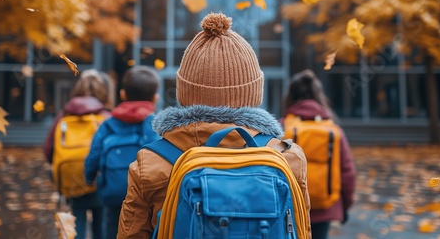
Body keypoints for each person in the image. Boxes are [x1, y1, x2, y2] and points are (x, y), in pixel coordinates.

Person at [116, 12, 311, 238]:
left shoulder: (151, 162)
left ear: (185, 91)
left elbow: (131, 234)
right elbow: (301, 229)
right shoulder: (288, 158)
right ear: (255, 92)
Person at [84, 66, 160, 239]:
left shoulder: (109, 123)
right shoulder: (155, 124)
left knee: (112, 225)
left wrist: (89, 177)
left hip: (113, 191)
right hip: (145, 194)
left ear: (123, 94)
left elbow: (94, 154)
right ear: (155, 98)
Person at [280, 69, 356, 239]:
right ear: (319, 95)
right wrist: (346, 204)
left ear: (290, 96)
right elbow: (347, 171)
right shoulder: (333, 130)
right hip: (325, 206)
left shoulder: (282, 127)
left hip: (291, 207)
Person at [43, 69, 114, 239]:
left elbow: (48, 151)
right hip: (99, 181)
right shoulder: (106, 118)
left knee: (76, 223)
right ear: (104, 91)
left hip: (70, 181)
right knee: (100, 223)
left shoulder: (63, 117)